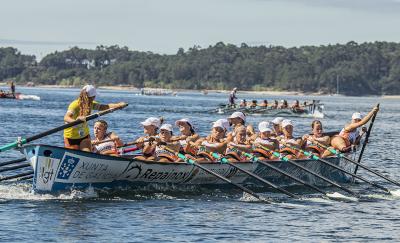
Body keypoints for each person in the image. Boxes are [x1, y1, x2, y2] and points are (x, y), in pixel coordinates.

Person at [63, 85, 126, 152]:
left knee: (87, 153)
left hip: (84, 135)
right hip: (71, 137)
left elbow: (104, 107)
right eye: (94, 97)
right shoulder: (74, 105)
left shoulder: (91, 104)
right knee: (74, 155)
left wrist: (119, 105)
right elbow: (66, 117)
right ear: (92, 97)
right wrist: (77, 121)